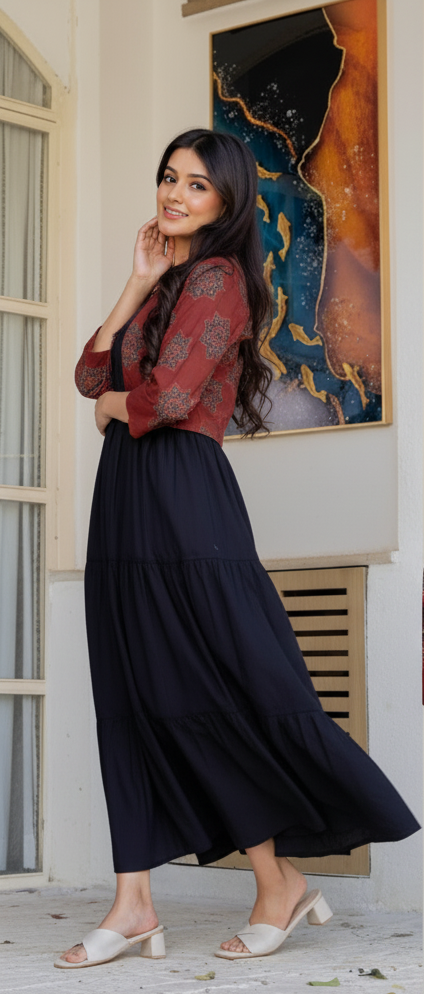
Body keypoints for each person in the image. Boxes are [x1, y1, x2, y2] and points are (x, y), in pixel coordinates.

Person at [56, 129, 419, 969]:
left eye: (197, 186)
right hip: (129, 502)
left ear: (227, 203)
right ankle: (135, 901)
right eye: (168, 179)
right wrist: (135, 282)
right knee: (134, 690)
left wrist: (113, 410)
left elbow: (167, 399)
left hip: (183, 498)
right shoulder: (167, 281)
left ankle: (278, 882)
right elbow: (86, 372)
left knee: (213, 681)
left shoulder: (219, 280)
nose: (175, 195)